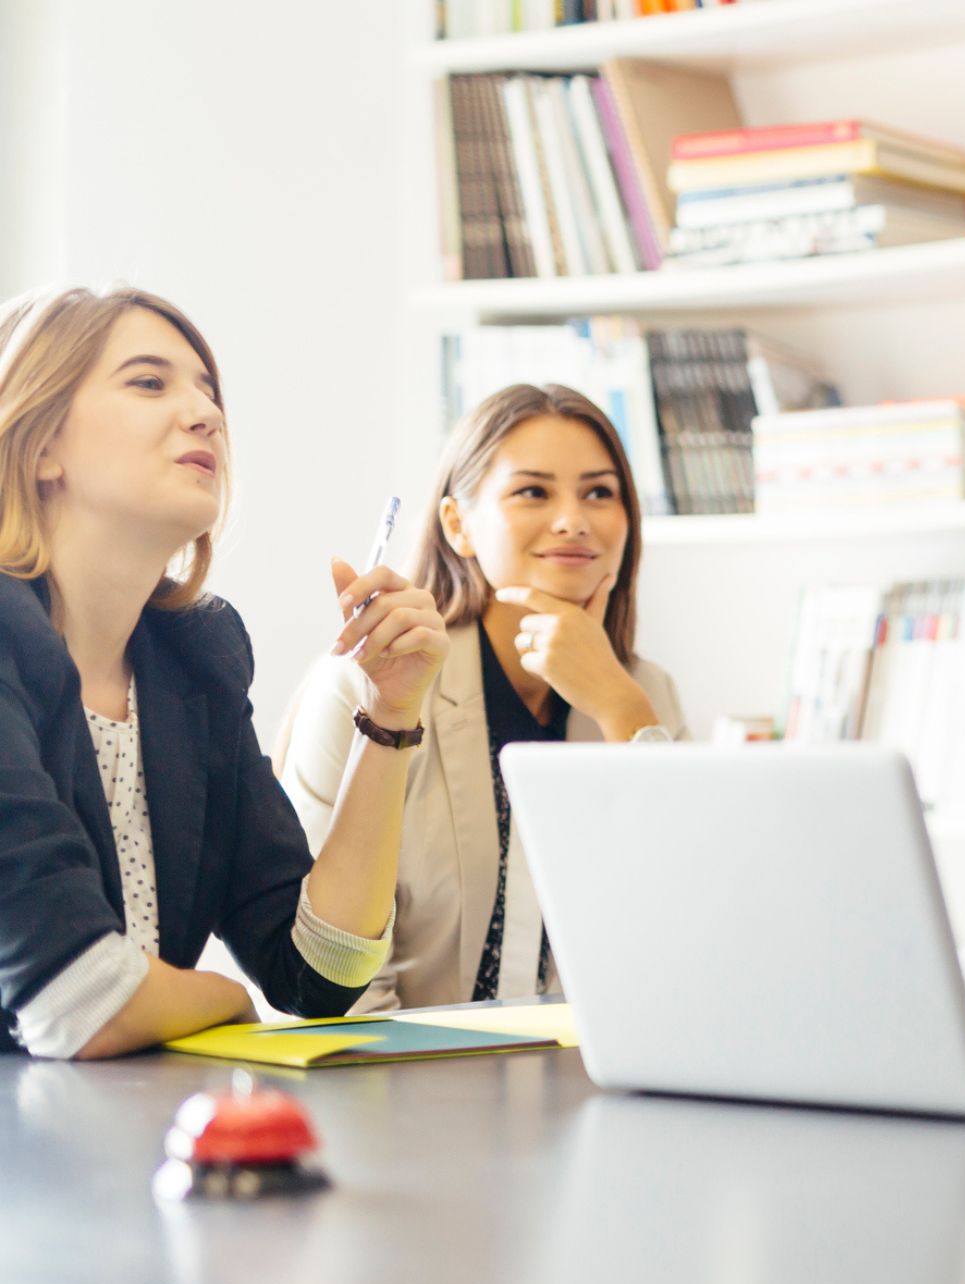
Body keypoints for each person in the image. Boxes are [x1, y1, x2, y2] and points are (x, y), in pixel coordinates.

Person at [0, 284, 447, 1059]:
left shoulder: (195, 658)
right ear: (41, 446)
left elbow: (320, 971)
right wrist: (228, 998)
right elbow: (74, 999)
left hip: (113, 1140)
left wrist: (393, 714)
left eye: (208, 392)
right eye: (149, 382)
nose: (206, 413)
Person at [279, 384, 687, 1011]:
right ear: (458, 525)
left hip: (586, 1077)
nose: (573, 519)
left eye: (599, 493)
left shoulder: (644, 693)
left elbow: (686, 932)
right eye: (533, 491)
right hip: (399, 1081)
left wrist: (619, 707)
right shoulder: (368, 685)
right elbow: (327, 977)